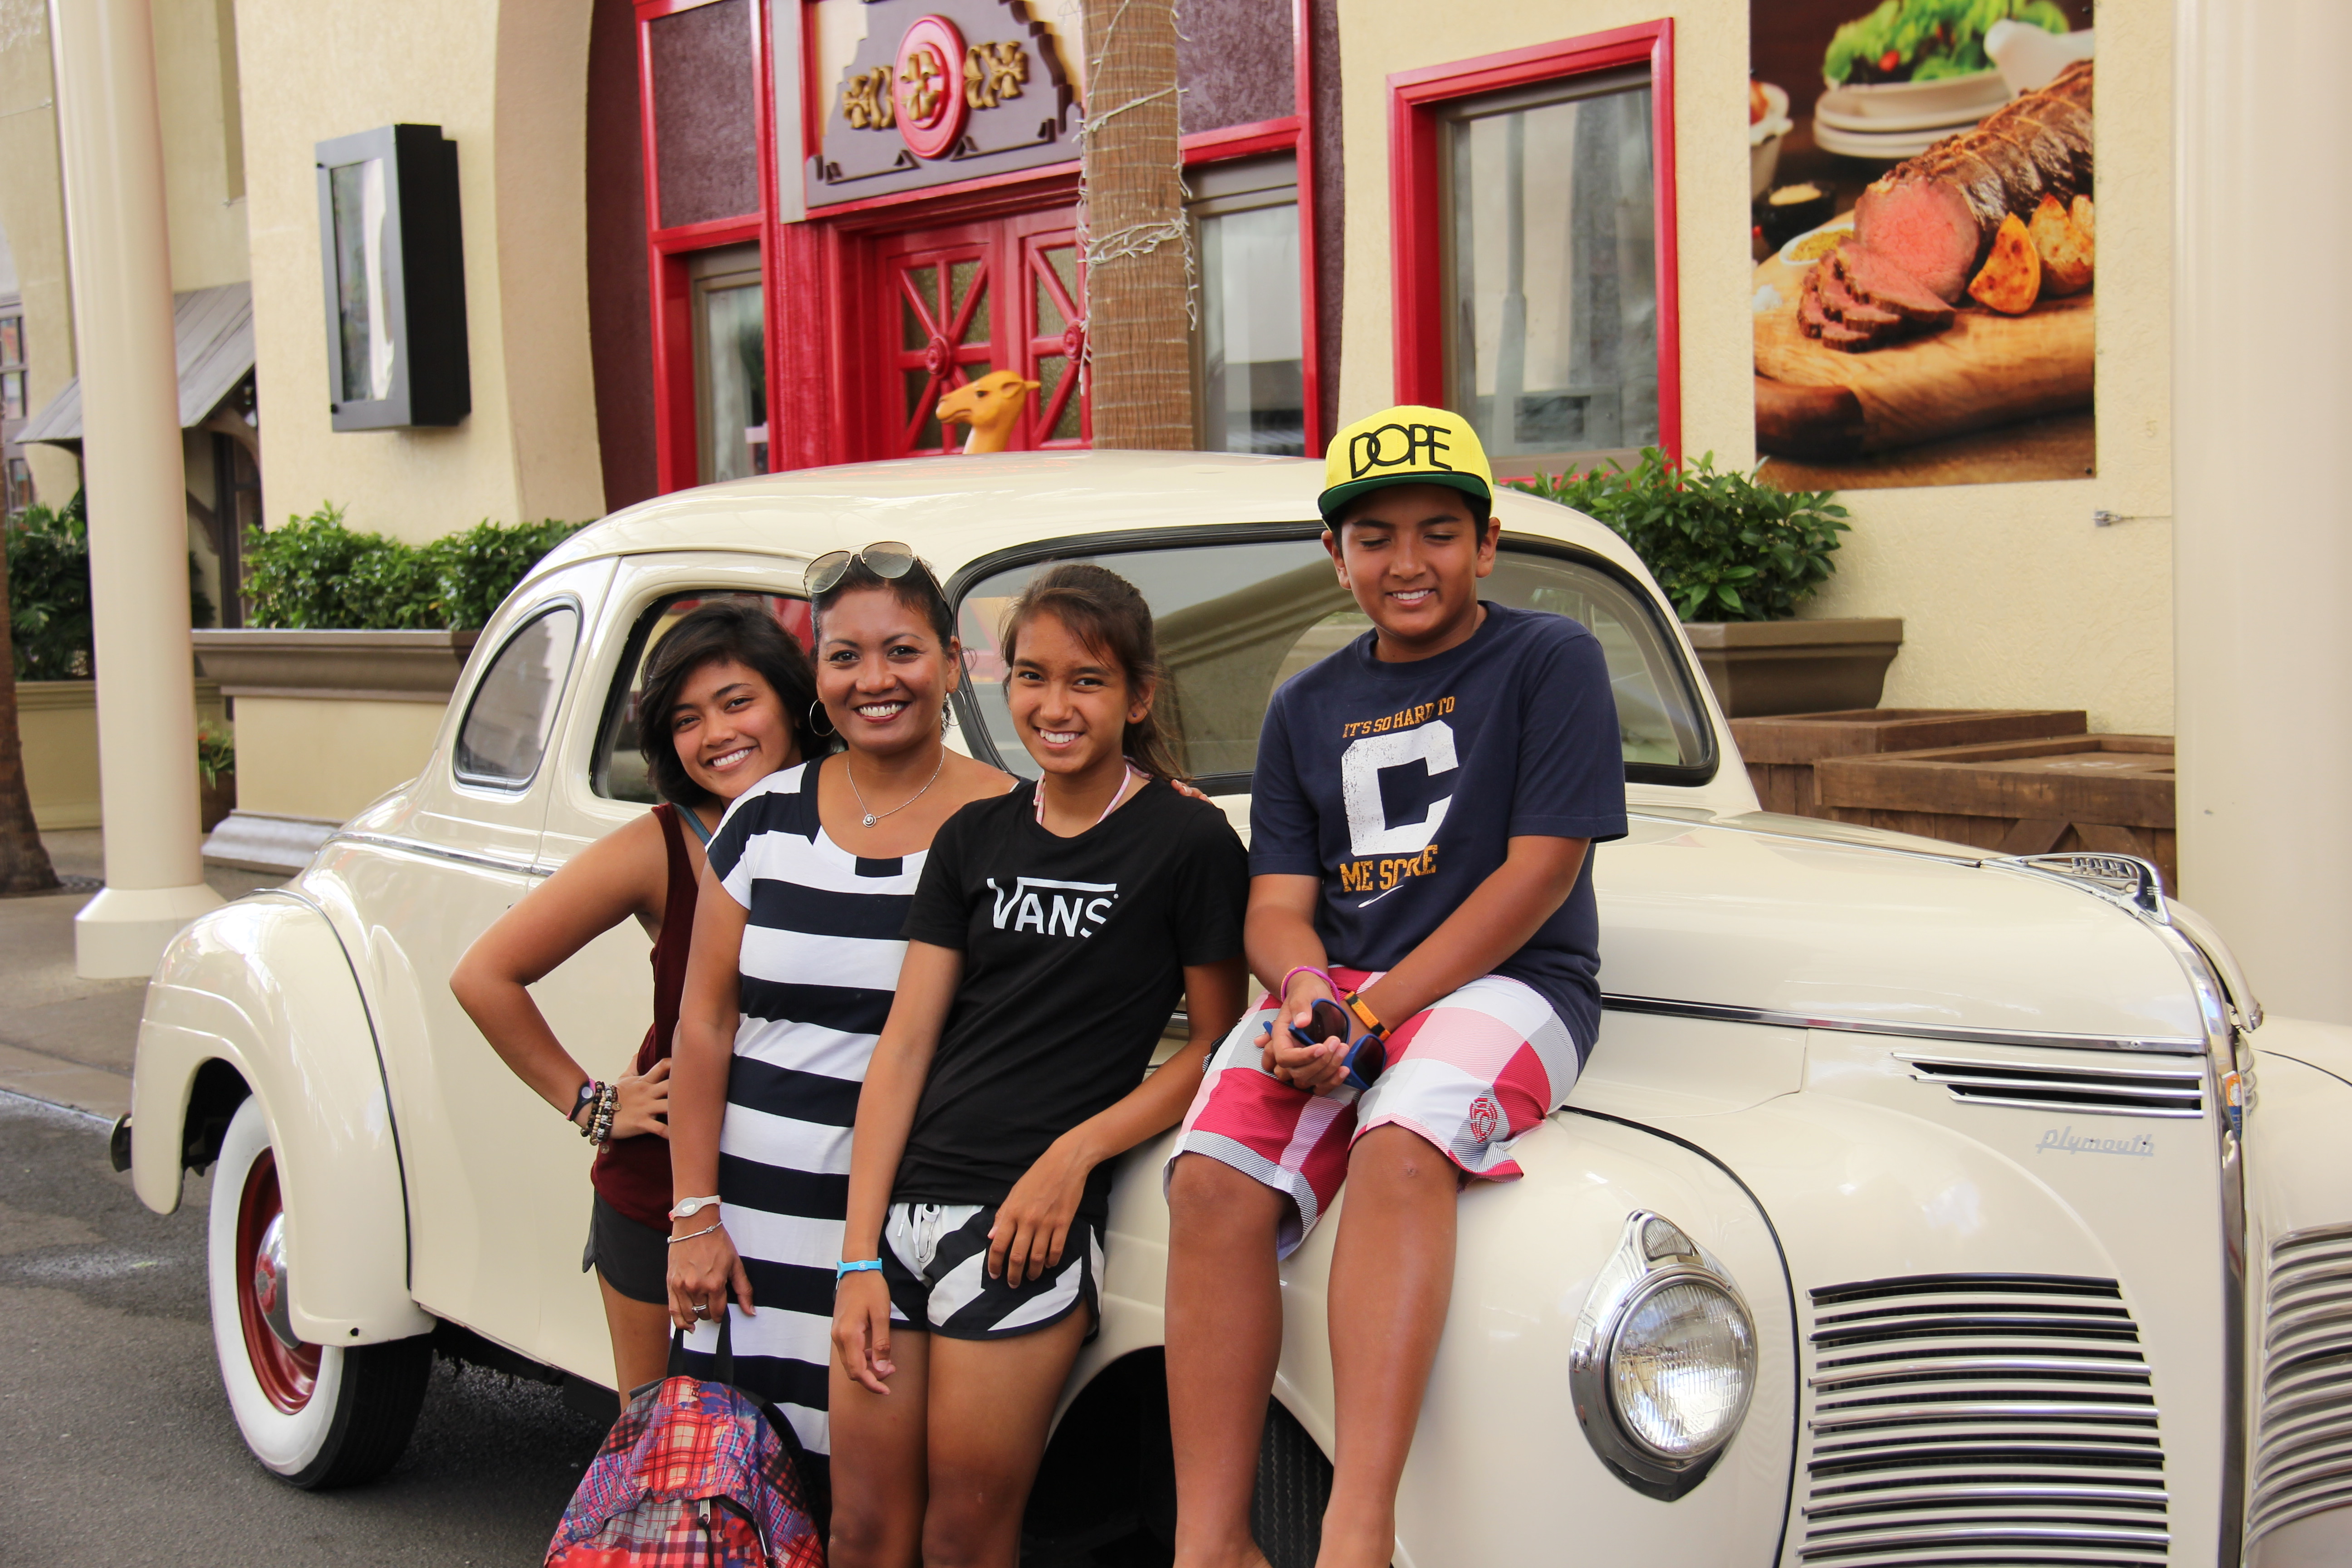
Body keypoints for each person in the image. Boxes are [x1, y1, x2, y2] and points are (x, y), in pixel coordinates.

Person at [1163, 406, 1629, 1568]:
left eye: (1438, 532)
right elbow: (1278, 902)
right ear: (1336, 556)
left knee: (1404, 1144)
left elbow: (1540, 874)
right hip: (1345, 989)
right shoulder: (1303, 703)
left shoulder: (1550, 659)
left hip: (1519, 982)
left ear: (1488, 543)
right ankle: (1209, 1541)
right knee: (1209, 1179)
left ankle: (1356, 1528)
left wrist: (1370, 1015)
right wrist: (1306, 991)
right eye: (1373, 537)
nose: (1406, 562)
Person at [827, 563, 1250, 1568]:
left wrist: (1075, 1156)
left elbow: (1216, 1044)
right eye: (1032, 676)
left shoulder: (1188, 840)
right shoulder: (974, 835)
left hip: (1024, 1230)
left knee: (963, 1537)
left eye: (1087, 681)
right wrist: (855, 1255)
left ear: (1138, 697)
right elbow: (906, 1045)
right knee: (862, 1532)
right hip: (900, 1218)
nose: (1054, 706)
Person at [665, 544, 1014, 1493]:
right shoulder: (760, 820)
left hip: (904, 1230)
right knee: (737, 1496)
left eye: (902, 651)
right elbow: (704, 1026)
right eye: (844, 656)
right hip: (749, 1226)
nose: (874, 680)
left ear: (952, 661)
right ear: (818, 675)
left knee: (871, 1512)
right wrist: (693, 1216)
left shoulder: (1014, 824)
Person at [453, 600, 822, 1398]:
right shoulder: (659, 845)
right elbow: (484, 976)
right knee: (664, 1441)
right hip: (664, 1201)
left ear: (793, 702)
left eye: (737, 702)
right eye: (687, 719)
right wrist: (593, 1106)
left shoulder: (862, 820)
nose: (716, 734)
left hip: (820, 1190)